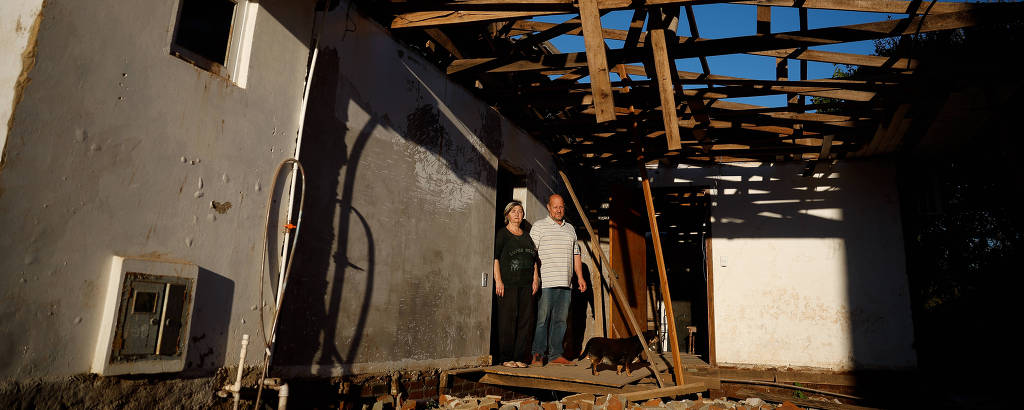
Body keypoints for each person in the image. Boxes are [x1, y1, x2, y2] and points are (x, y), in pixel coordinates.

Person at [530, 194, 587, 366]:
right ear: (548, 207)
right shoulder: (539, 227)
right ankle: (538, 355)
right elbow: (532, 254)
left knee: (560, 321)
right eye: (555, 207)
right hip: (546, 281)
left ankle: (556, 355)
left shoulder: (570, 229)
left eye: (561, 207)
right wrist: (535, 277)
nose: (558, 210)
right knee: (542, 320)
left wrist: (580, 277)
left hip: (565, 283)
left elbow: (576, 254)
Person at [493, 201, 539, 368]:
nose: (517, 214)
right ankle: (506, 358)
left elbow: (533, 260)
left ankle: (519, 357)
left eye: (520, 211)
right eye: (514, 211)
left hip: (526, 285)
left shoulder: (527, 236)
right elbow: (495, 258)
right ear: (507, 215)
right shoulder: (502, 234)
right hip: (508, 284)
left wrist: (535, 279)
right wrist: (498, 280)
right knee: (507, 320)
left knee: (524, 321)